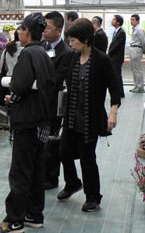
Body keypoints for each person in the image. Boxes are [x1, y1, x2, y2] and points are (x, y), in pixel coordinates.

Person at [0, 13, 56, 233]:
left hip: (26, 122)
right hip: (41, 121)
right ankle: (34, 214)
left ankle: (14, 220)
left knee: (19, 172)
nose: (18, 33)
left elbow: (19, 86)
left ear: (27, 31)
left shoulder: (28, 54)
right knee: (37, 170)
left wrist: (11, 98)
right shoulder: (44, 53)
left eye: (20, 29)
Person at [57, 18, 120, 212]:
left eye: (73, 40)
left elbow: (114, 87)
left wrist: (113, 112)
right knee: (63, 151)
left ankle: (93, 196)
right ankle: (73, 182)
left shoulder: (101, 59)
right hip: (72, 115)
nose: (70, 44)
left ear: (85, 40)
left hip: (90, 118)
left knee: (87, 158)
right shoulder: (72, 58)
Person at [42, 11, 73, 190]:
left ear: (59, 30)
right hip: (39, 102)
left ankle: (51, 178)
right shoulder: (41, 46)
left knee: (52, 140)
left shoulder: (66, 52)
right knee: (41, 140)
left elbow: (57, 79)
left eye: (48, 27)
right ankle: (41, 174)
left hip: (55, 103)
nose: (44, 31)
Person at [108, 15, 126, 98]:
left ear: (118, 22)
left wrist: (109, 53)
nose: (112, 20)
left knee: (117, 75)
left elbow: (117, 46)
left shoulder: (121, 32)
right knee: (115, 75)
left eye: (114, 19)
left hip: (117, 58)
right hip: (114, 57)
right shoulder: (116, 32)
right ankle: (118, 92)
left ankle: (120, 93)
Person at [129, 14, 145, 93]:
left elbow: (142, 41)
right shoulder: (135, 29)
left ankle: (140, 87)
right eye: (131, 19)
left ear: (137, 21)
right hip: (133, 48)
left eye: (133, 20)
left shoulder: (139, 29)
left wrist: (144, 50)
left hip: (136, 49)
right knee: (134, 69)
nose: (131, 21)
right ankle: (136, 85)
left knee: (137, 69)